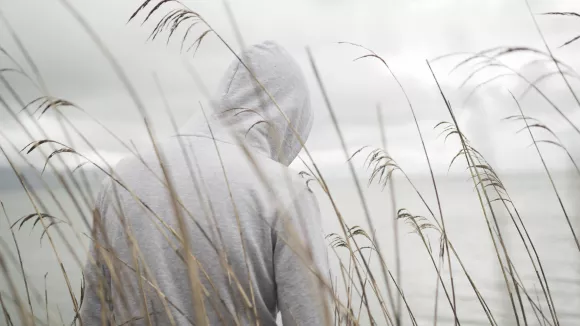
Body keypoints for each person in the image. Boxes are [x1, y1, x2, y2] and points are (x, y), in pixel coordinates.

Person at [80, 40, 331, 326]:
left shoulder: (121, 177)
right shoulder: (285, 191)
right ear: (291, 119)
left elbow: (94, 312)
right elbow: (311, 319)